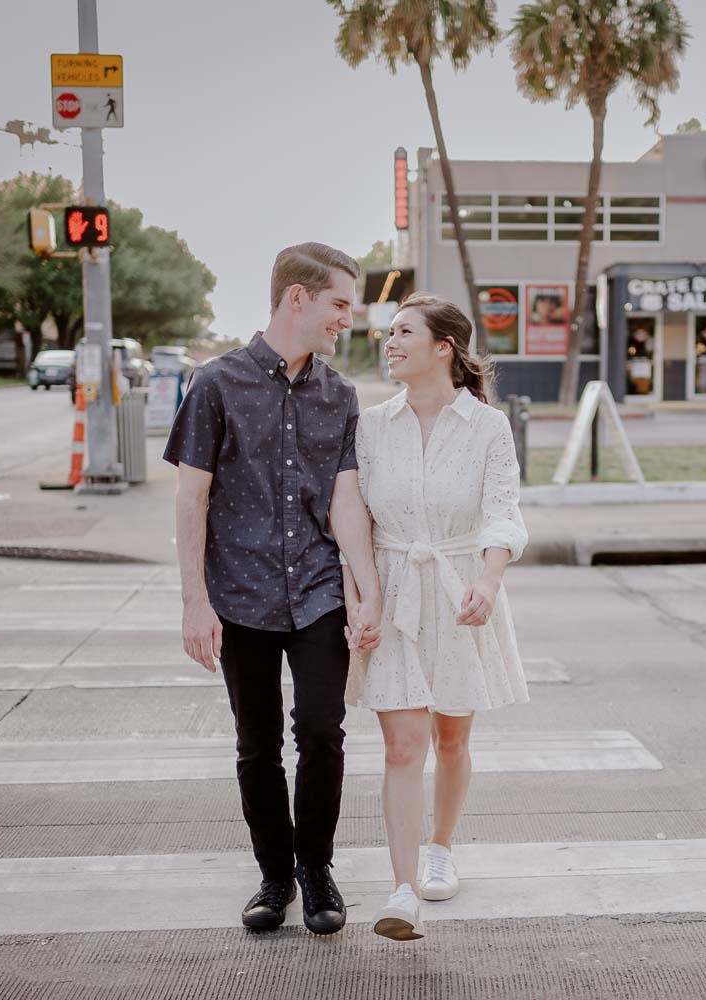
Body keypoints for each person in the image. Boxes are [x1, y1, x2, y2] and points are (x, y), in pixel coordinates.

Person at [164, 242, 383, 936]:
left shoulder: (340, 395)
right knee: (256, 743)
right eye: (339, 304)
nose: (347, 319)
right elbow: (190, 499)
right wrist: (194, 602)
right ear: (298, 297)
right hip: (240, 594)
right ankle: (274, 875)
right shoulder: (216, 383)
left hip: (317, 590)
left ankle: (316, 870)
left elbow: (347, 501)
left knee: (322, 729)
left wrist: (368, 591)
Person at [339, 292, 529, 941]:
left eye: (402, 332)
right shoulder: (371, 425)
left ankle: (441, 845)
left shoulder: (488, 428)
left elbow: (503, 511)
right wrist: (359, 599)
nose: (388, 343)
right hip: (391, 593)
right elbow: (354, 523)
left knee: (450, 739)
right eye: (387, 334)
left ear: (442, 347)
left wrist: (489, 578)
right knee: (402, 744)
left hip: (458, 594)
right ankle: (402, 889)